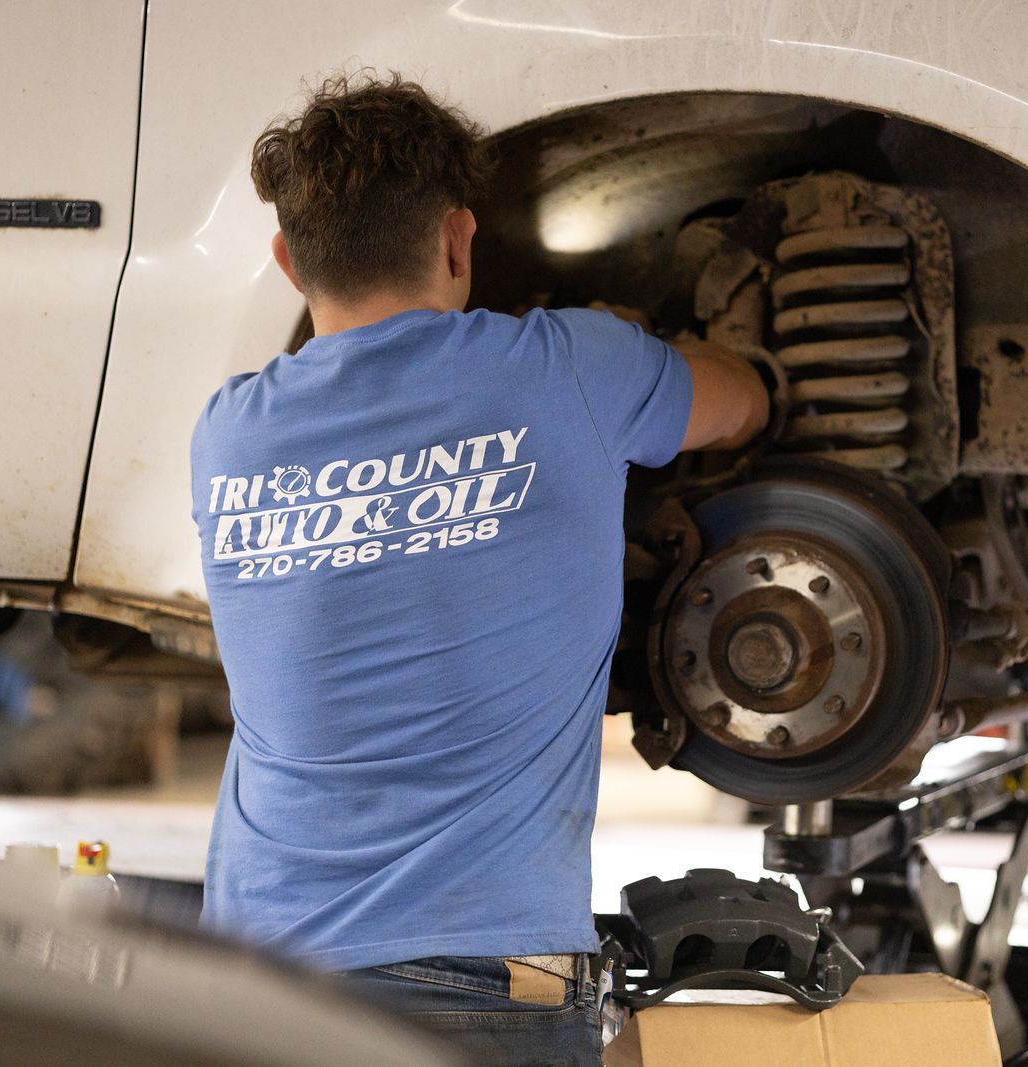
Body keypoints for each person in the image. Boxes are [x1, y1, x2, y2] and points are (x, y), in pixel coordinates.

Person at [189, 71, 768, 1066]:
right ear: (458, 238)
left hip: (257, 979)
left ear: (289, 261)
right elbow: (743, 404)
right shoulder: (572, 367)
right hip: (495, 981)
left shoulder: (227, 432)